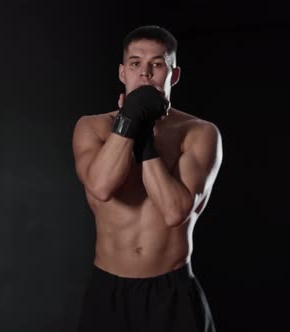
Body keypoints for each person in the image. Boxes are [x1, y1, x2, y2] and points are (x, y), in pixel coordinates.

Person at [72, 25, 222, 332]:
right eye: (135, 63)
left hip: (173, 293)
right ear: (122, 72)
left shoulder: (199, 133)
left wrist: (141, 132)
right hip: (109, 293)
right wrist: (129, 121)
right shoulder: (91, 127)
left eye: (157, 64)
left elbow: (173, 211)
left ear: (173, 75)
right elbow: (101, 187)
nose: (145, 73)